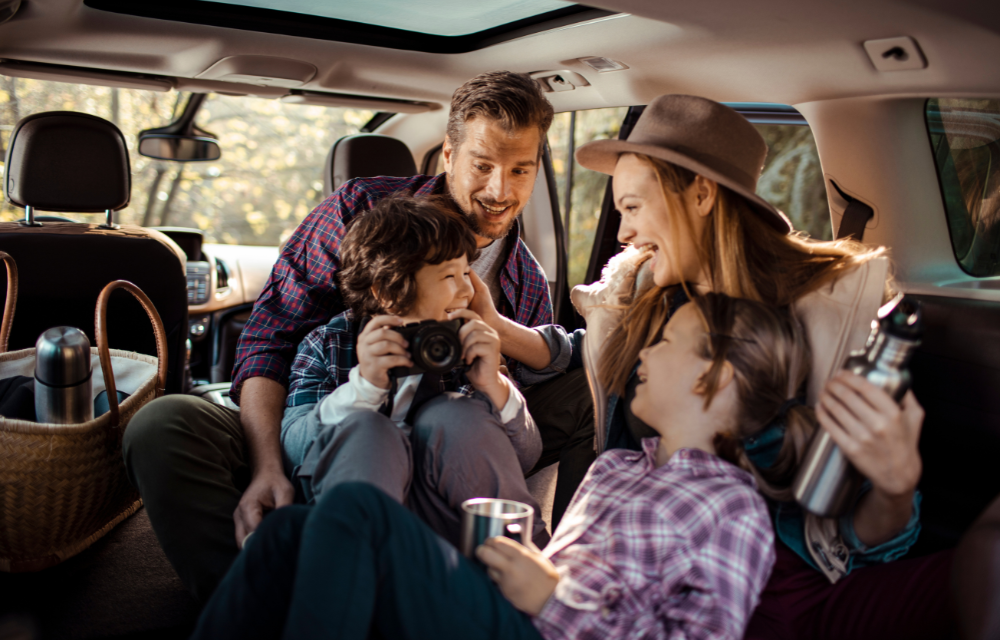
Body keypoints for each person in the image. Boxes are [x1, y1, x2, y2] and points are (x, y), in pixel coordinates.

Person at [477, 94, 954, 639]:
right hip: (634, 574)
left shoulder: (827, 319)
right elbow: (589, 350)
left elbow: (854, 532)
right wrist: (497, 327)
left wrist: (895, 490)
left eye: (632, 208)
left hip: (766, 584)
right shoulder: (641, 296)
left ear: (700, 193)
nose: (622, 232)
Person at [122, 71, 595, 602]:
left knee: (594, 389)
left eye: (520, 169)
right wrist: (268, 467)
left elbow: (520, 422)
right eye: (483, 165)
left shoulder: (524, 276)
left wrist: (495, 359)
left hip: (456, 429)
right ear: (448, 155)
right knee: (164, 422)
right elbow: (270, 340)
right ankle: (255, 601)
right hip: (333, 421)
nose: (500, 190)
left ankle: (566, 584)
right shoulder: (361, 213)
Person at [189, 292, 820, 640]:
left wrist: (555, 600)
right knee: (289, 532)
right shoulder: (620, 467)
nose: (643, 352)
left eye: (663, 341)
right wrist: (533, 571)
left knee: (356, 511)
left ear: (714, 376)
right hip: (514, 614)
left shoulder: (731, 505)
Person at [285, 194, 545, 546]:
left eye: (466, 272)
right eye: (449, 275)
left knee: (454, 416)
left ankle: (517, 569)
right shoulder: (329, 344)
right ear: (388, 290)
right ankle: (358, 577)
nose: (466, 289)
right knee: (367, 431)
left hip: (447, 516)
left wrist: (494, 385)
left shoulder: (467, 345)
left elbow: (525, 457)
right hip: (361, 514)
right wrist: (363, 388)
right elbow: (295, 447)